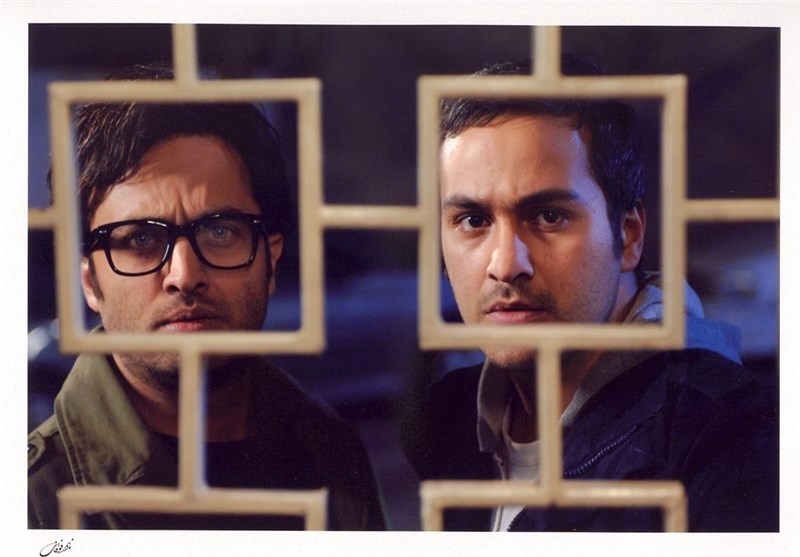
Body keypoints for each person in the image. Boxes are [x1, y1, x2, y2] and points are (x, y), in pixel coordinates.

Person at [401, 57, 778, 532]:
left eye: (548, 217)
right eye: (473, 220)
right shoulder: (446, 423)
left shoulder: (729, 440)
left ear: (629, 235)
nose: (505, 264)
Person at [28, 65, 385, 530]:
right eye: (140, 239)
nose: (185, 275)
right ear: (90, 282)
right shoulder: (30, 498)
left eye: (219, 231)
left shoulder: (331, 454)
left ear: (271, 259)